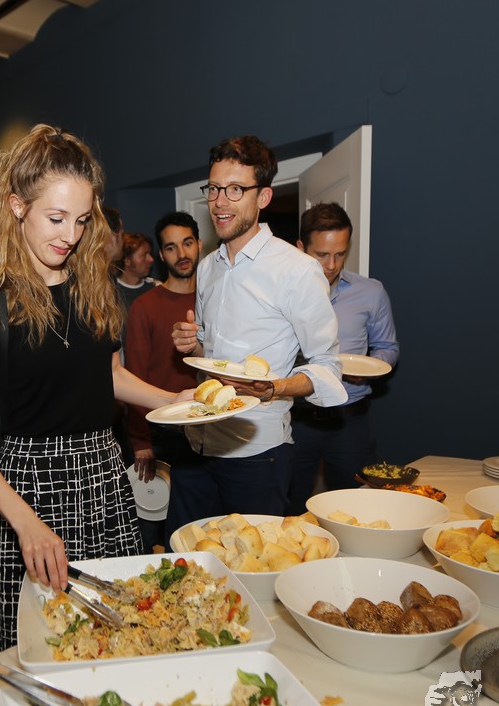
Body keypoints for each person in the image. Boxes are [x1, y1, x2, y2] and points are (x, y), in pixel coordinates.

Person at [0, 124, 192, 656]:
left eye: (81, 220)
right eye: (56, 218)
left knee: (122, 635)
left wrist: (173, 402)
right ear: (17, 206)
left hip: (102, 472)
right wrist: (24, 523)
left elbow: (108, 376)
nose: (70, 235)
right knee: (42, 645)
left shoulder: (94, 288)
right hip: (28, 485)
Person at [169, 135, 346, 529]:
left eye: (235, 189)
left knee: (252, 563)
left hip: (256, 455)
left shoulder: (296, 270)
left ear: (263, 197)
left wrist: (275, 388)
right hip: (196, 441)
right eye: (214, 189)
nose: (220, 201)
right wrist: (192, 342)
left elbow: (327, 366)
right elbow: (209, 352)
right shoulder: (208, 266)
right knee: (185, 555)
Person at [288, 202, 399, 510]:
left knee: (357, 508)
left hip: (350, 420)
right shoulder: (282, 295)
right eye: (322, 254)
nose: (331, 264)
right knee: (288, 509)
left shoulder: (371, 292)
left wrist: (374, 368)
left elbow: (388, 347)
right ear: (301, 248)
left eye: (340, 254)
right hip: (296, 419)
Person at [122, 211, 205, 551]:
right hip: (161, 434)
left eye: (187, 243)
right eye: (171, 247)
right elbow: (133, 376)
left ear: (200, 244)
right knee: (149, 532)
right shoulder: (145, 306)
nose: (181, 254)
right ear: (161, 255)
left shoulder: (215, 299)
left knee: (196, 532)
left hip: (209, 432)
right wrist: (140, 440)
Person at [113, 231, 159, 316]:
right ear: (127, 260)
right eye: (144, 255)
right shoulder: (109, 291)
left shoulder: (156, 288)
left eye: (150, 254)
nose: (151, 259)